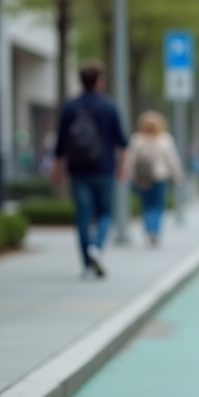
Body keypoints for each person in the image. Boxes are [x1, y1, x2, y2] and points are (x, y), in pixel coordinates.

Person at [52, 60, 128, 278]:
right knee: (105, 213)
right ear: (100, 81)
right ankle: (97, 246)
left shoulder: (69, 106)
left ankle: (86, 265)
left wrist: (58, 169)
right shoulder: (109, 106)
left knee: (83, 216)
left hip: (78, 169)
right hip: (104, 168)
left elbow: (60, 143)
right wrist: (123, 166)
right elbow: (121, 142)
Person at [123, 110, 184, 247]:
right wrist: (177, 176)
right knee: (158, 206)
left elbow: (131, 160)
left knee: (146, 205)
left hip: (143, 178)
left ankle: (148, 230)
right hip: (159, 178)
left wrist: (130, 175)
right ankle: (154, 231)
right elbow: (172, 160)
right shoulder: (165, 140)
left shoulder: (137, 139)